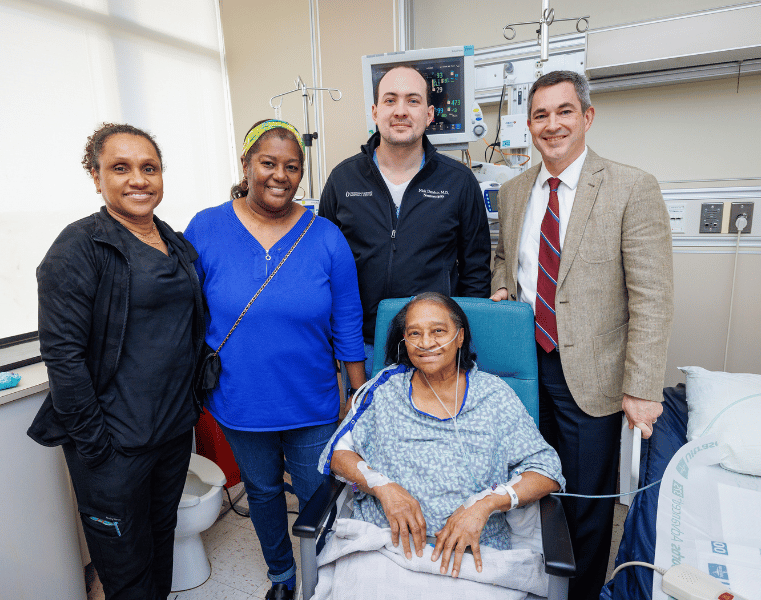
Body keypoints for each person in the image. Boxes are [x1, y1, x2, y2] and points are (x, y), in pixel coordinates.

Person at [491, 70, 674, 600]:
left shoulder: (630, 187)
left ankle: (579, 594)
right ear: (529, 125)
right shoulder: (513, 191)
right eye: (541, 115)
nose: (553, 125)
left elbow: (652, 297)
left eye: (564, 111)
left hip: (591, 372)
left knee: (586, 502)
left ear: (587, 117)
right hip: (524, 365)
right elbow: (505, 260)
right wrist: (502, 289)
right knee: (529, 485)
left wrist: (641, 388)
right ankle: (533, 583)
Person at [184, 119, 366, 600]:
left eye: (292, 166)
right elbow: (184, 308)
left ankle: (321, 575)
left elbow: (348, 317)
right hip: (240, 399)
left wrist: (357, 391)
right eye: (268, 163)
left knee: (316, 493)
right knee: (262, 492)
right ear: (246, 166)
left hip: (312, 399)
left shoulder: (325, 236)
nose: (279, 175)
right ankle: (283, 576)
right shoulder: (206, 228)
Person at [27, 123, 205, 600]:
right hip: (114, 448)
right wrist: (96, 445)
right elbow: (61, 355)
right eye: (120, 168)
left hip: (170, 434)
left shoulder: (175, 243)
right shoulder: (80, 247)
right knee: (126, 575)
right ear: (95, 176)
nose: (138, 180)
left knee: (159, 548)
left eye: (150, 168)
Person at [319, 293, 563, 580]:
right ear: (404, 341)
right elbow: (337, 452)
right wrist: (383, 487)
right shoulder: (384, 390)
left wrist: (484, 505)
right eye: (414, 333)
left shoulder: (494, 396)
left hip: (475, 558)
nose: (425, 343)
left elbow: (547, 470)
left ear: (460, 337)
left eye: (438, 331)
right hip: (386, 550)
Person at [319, 65, 492, 378]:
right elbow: (322, 267)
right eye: (390, 100)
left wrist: (456, 343)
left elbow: (476, 271)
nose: (400, 111)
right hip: (359, 347)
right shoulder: (343, 179)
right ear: (374, 112)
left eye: (412, 101)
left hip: (433, 348)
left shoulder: (459, 182)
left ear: (428, 114)